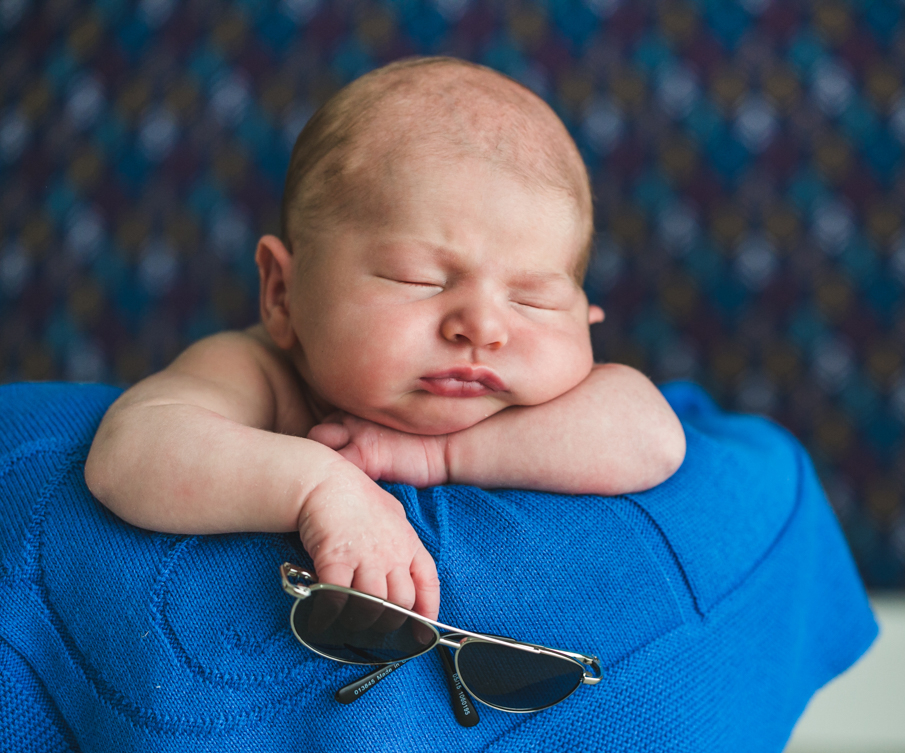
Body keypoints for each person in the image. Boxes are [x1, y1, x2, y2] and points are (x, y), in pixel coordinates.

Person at [84, 56, 686, 623]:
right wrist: (316, 486)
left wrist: (434, 457)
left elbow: (653, 439)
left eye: (535, 300)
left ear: (585, 319)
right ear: (282, 294)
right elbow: (130, 453)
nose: (483, 328)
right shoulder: (259, 371)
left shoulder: (550, 396)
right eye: (418, 280)